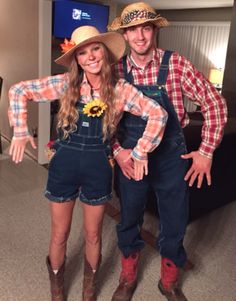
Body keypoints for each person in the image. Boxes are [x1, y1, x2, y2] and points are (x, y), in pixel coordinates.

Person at [8, 25, 168, 301]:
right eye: (83, 52)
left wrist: (141, 152)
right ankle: (57, 289)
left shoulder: (121, 90)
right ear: (76, 59)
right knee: (60, 234)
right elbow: (19, 90)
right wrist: (20, 129)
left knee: (93, 235)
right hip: (63, 168)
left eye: (96, 49)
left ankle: (89, 289)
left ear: (105, 53)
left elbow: (158, 114)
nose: (91, 56)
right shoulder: (65, 84)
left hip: (98, 169)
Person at [108, 2, 227, 301]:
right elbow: (101, 122)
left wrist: (206, 151)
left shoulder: (176, 65)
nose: (139, 37)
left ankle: (169, 281)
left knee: (174, 218)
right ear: (124, 34)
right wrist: (118, 150)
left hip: (171, 157)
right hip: (132, 158)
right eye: (132, 30)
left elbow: (215, 104)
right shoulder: (115, 71)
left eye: (145, 28)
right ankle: (128, 276)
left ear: (155, 30)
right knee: (129, 216)